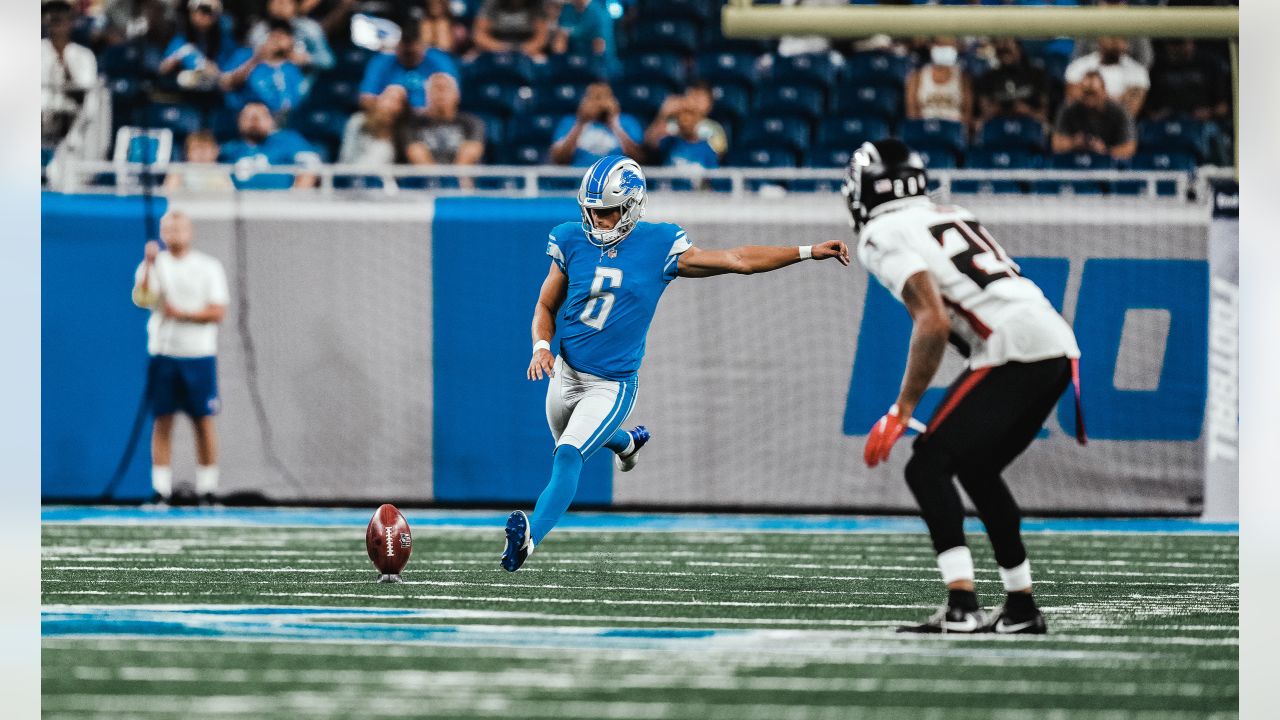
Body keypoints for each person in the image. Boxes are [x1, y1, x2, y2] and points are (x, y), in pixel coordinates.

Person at [501, 155, 850, 572]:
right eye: (591, 211)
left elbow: (737, 260)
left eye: (608, 212)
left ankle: (530, 540)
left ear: (632, 205)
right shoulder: (570, 239)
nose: (598, 221)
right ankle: (627, 443)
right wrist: (541, 345)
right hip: (565, 372)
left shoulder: (659, 244)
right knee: (576, 442)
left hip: (611, 384)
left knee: (569, 455)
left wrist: (808, 251)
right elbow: (545, 304)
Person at [844, 138, 1083, 634]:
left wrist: (903, 408)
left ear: (870, 186)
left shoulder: (882, 232)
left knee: (927, 466)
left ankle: (962, 604)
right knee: (976, 468)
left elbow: (931, 322)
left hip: (1016, 346)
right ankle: (1020, 606)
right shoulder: (948, 211)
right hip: (1054, 343)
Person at [131, 210, 231, 505]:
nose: (174, 233)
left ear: (190, 231)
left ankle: (207, 488)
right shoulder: (153, 265)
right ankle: (161, 488)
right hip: (164, 352)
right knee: (163, 420)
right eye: (168, 228)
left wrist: (184, 314)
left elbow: (217, 311)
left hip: (198, 354)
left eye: (179, 228)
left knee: (203, 420)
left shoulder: (207, 266)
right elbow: (143, 299)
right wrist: (149, 265)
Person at [359, 21, 460, 113]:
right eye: (405, 54)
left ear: (423, 46)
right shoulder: (382, 61)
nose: (409, 58)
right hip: (393, 120)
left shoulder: (439, 60)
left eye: (413, 54)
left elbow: (453, 97)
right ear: (396, 47)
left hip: (430, 120)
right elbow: (366, 99)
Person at [219, 101, 321, 189]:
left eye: (260, 116)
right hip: (240, 206)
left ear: (271, 120)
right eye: (249, 117)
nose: (254, 121)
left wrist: (294, 200)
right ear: (239, 121)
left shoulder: (288, 140)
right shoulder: (229, 149)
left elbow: (310, 168)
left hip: (280, 205)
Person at [220, 19, 309, 116]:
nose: (278, 38)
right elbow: (225, 83)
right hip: (249, 118)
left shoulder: (293, 66)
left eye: (285, 34)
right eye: (274, 34)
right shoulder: (246, 55)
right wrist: (256, 58)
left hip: (287, 122)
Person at [41, 1, 98, 146]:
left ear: (72, 20)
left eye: (62, 12)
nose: (56, 17)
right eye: (51, 12)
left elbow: (85, 96)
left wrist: (64, 63)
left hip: (72, 130)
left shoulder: (84, 55)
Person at [549, 82, 643, 166]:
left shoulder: (627, 122)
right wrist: (580, 123)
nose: (599, 103)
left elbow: (639, 159)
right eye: (593, 98)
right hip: (578, 180)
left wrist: (614, 125)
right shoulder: (569, 122)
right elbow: (559, 160)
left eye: (604, 97)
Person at [404, 73, 485, 168]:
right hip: (427, 180)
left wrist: (454, 181)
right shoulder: (412, 125)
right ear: (426, 95)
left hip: (461, 179)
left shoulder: (472, 122)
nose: (441, 93)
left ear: (457, 95)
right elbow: (417, 155)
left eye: (446, 88)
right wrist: (436, 181)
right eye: (436, 88)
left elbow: (469, 156)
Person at [1051, 71, 1137, 160]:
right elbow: (1056, 144)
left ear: (1104, 92)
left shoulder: (1120, 111)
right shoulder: (1069, 108)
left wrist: (1105, 150)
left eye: (1093, 93)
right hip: (1073, 162)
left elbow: (1129, 148)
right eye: (1086, 93)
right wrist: (1074, 143)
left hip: (1109, 166)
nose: (1089, 99)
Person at [158, 0, 236, 93]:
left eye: (212, 12)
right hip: (184, 97)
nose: (206, 16)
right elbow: (163, 69)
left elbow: (228, 74)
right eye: (203, 10)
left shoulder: (224, 40)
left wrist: (214, 72)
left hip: (216, 96)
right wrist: (182, 55)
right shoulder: (181, 40)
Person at [1064, 36, 1149, 119]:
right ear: (1099, 39)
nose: (1114, 42)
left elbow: (1130, 113)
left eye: (1120, 39)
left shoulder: (1138, 72)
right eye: (1110, 37)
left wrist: (1091, 95)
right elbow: (1073, 106)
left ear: (1126, 44)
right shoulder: (1078, 67)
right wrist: (1119, 99)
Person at [974, 38, 1051, 126]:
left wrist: (1027, 110)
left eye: (1007, 45)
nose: (1003, 47)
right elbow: (984, 115)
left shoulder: (1037, 74)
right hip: (997, 130)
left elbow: (1043, 115)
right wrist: (1001, 110)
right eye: (999, 46)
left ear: (1018, 47)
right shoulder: (987, 78)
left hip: (1029, 129)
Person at [247, 0, 334, 72]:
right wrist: (264, 54)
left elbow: (328, 61)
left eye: (286, 2)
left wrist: (306, 59)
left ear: (295, 6)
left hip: (301, 86)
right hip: (263, 83)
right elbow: (244, 59)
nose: (280, 6)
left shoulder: (309, 29)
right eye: (275, 1)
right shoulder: (259, 29)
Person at [906, 37, 972, 129]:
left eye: (947, 46)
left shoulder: (963, 78)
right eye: (940, 45)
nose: (943, 49)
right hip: (926, 130)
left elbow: (967, 113)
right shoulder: (917, 76)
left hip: (952, 133)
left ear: (955, 48)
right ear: (931, 47)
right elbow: (912, 112)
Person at [340, 84, 411, 165]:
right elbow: (346, 159)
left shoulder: (402, 132)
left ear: (403, 109)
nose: (391, 105)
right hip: (356, 174)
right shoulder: (358, 122)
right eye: (389, 98)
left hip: (387, 176)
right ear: (379, 99)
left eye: (398, 101)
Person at [644, 95, 719, 170]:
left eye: (691, 114)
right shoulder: (669, 142)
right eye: (682, 115)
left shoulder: (706, 149)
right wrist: (663, 114)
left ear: (698, 118)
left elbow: (714, 177)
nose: (686, 119)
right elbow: (649, 143)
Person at [550, 0, 616, 76]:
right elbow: (559, 43)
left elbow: (600, 48)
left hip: (599, 68)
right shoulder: (567, 10)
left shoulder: (599, 12)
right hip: (572, 66)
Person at [471, 0, 550, 62]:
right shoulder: (492, 3)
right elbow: (479, 35)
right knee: (469, 60)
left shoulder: (536, 3)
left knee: (542, 61)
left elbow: (542, 37)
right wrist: (503, 48)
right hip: (495, 46)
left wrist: (522, 50)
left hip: (527, 48)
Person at [164, 130, 234, 192]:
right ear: (187, 152)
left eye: (205, 148)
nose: (201, 153)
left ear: (215, 151)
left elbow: (230, 197)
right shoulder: (178, 170)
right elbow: (169, 196)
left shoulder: (222, 172)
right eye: (195, 148)